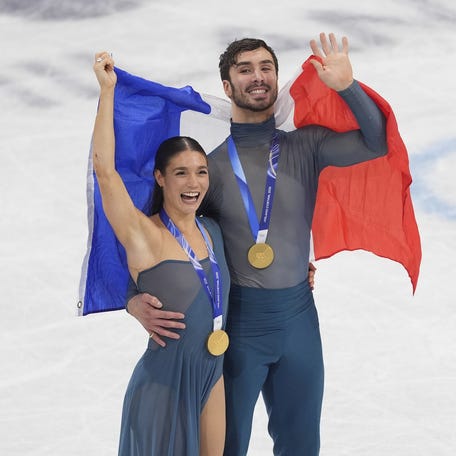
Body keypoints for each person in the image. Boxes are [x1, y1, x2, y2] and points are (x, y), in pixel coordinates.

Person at [126, 33, 388, 455]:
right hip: (238, 328)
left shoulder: (306, 144)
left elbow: (376, 142)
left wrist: (346, 87)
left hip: (300, 322)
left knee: (302, 446)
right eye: (244, 70)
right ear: (227, 87)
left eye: (266, 67)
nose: (258, 76)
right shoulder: (207, 168)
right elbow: (154, 234)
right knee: (228, 447)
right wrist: (132, 297)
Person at [91, 51, 231, 456]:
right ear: (160, 178)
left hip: (212, 374)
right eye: (181, 173)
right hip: (163, 383)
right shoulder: (142, 233)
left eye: (201, 172)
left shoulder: (214, 231)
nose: (193, 183)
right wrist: (107, 93)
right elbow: (105, 169)